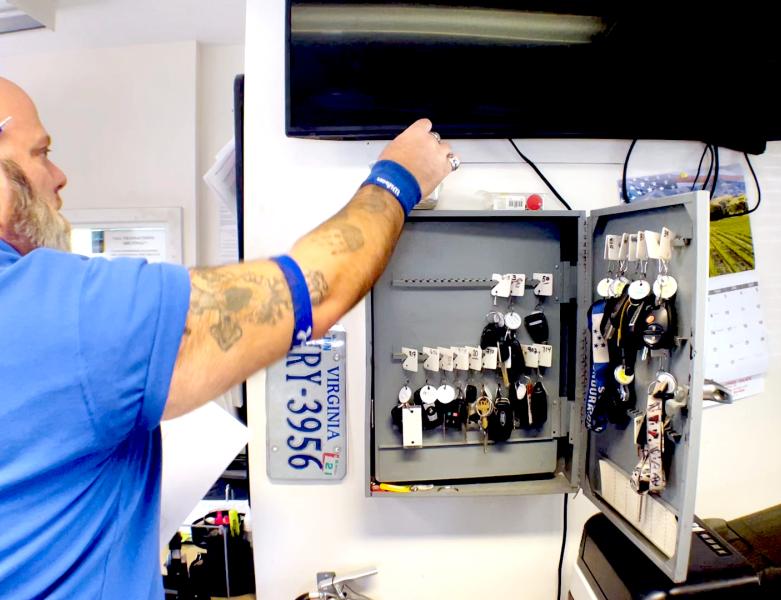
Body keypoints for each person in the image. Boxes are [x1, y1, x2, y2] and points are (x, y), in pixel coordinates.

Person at [0, 77, 458, 599]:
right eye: (41, 153)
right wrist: (400, 174)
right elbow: (317, 287)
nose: (59, 177)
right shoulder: (64, 310)